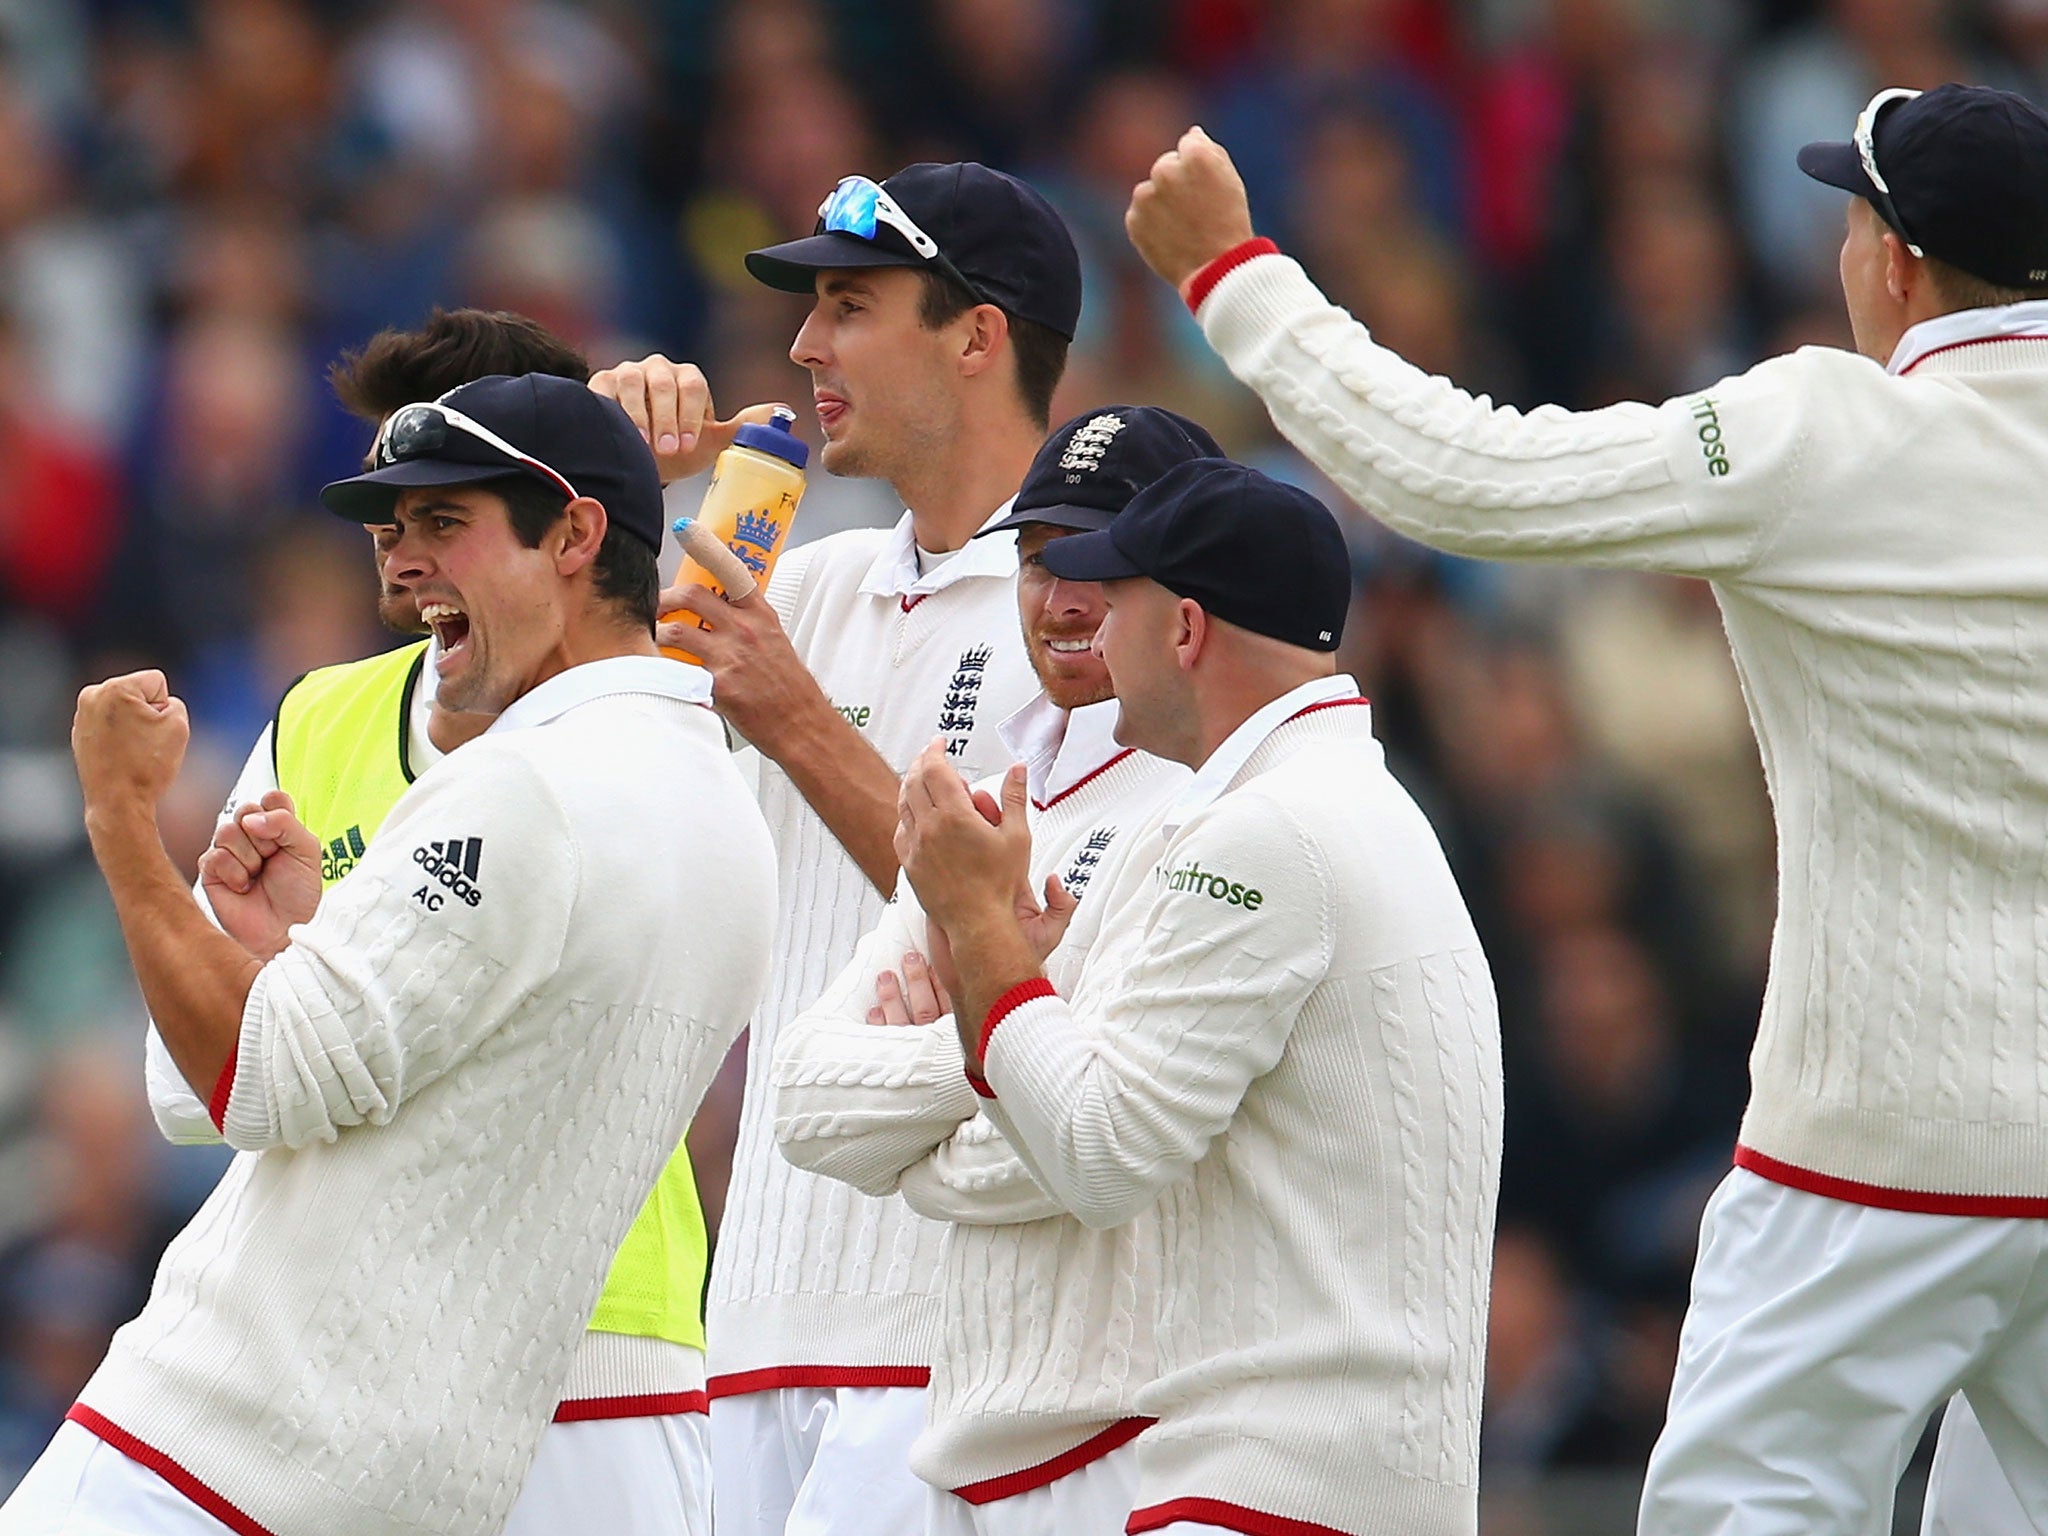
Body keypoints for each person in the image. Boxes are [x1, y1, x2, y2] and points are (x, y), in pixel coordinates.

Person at [1122, 85, 2048, 1536]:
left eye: (1853, 225)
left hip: (1874, 1149)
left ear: (1899, 262)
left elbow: (1465, 475)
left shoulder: (1821, 430)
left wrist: (1235, 282)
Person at [0, 373, 777, 1536]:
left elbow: (243, 1080)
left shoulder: (522, 787)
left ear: (576, 535)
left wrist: (120, 821)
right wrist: (298, 956)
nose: (400, 563)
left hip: (237, 1440)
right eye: (391, 529)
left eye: (444, 523)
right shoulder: (720, 811)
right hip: (429, 1458)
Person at [597, 161, 1083, 1536]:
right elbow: (537, 736)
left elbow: (1027, 937)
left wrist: (795, 714)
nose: (805, 347)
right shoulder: (800, 582)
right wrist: (595, 478)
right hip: (749, 1317)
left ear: (977, 337)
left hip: (952, 1337)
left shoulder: (1090, 610)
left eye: (850, 308)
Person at [893, 457, 1503, 1536]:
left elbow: (1098, 1153)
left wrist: (984, 937)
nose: (1084, 631)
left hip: (1269, 1495)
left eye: (1111, 596)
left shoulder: (1265, 832)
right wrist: (1018, 995)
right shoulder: (1349, 803)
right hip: (1315, 1486)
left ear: (1182, 630)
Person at [772, 405, 1219, 1536]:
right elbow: (805, 1103)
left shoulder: (1210, 812)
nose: (1058, 598)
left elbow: (1093, 1154)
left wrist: (963, 1010)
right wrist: (1001, 1029)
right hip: (967, 1416)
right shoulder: (983, 795)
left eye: (1099, 565)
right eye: (1035, 559)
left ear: (1187, 587)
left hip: (1130, 1434)